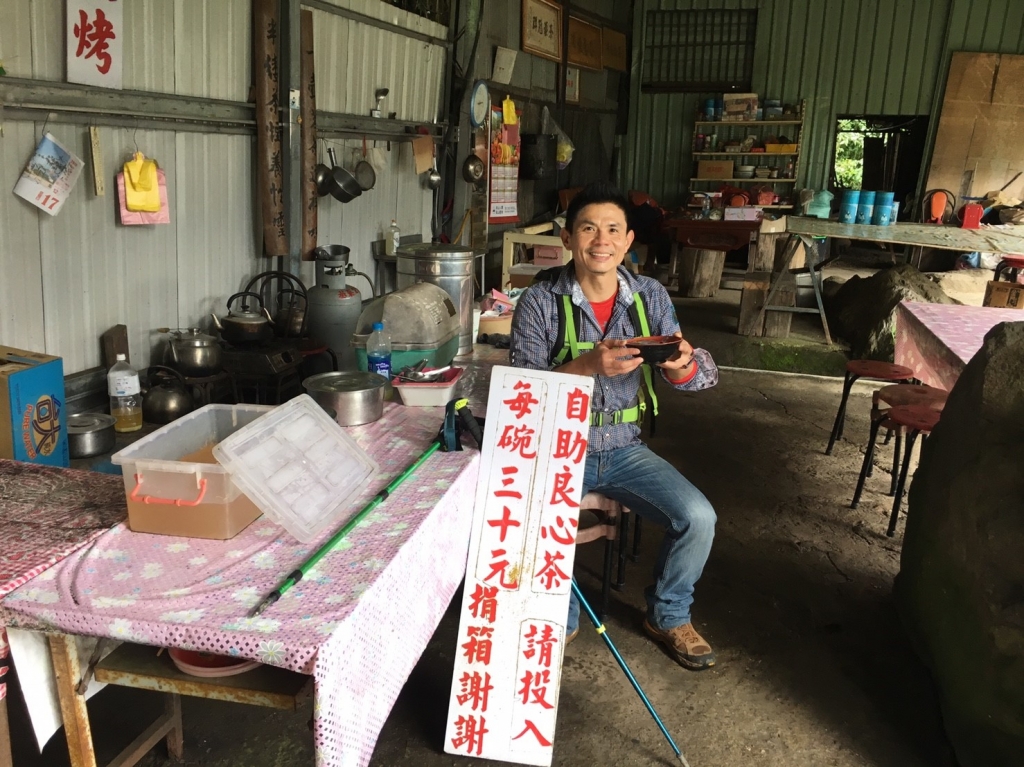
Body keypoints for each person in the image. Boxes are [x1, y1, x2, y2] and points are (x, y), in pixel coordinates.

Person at [510, 181, 719, 670]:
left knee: (699, 518)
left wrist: (681, 363)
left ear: (628, 242)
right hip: (559, 449)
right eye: (588, 228)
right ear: (568, 239)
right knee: (535, 525)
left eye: (612, 230)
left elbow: (700, 378)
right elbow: (521, 393)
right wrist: (585, 367)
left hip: (625, 449)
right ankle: (559, 622)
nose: (600, 241)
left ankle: (668, 615)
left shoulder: (648, 296)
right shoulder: (539, 302)